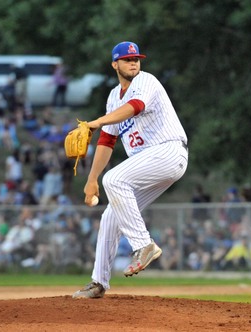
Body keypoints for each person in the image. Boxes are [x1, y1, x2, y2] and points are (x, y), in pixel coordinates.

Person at [72, 41, 188, 299]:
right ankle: (98, 283)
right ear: (115, 64)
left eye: (136, 58)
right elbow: (106, 140)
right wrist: (91, 180)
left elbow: (135, 106)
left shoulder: (146, 81)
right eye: (127, 59)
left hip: (168, 151)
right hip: (149, 163)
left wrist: (98, 121)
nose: (134, 62)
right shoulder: (114, 96)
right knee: (110, 216)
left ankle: (143, 245)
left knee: (114, 179)